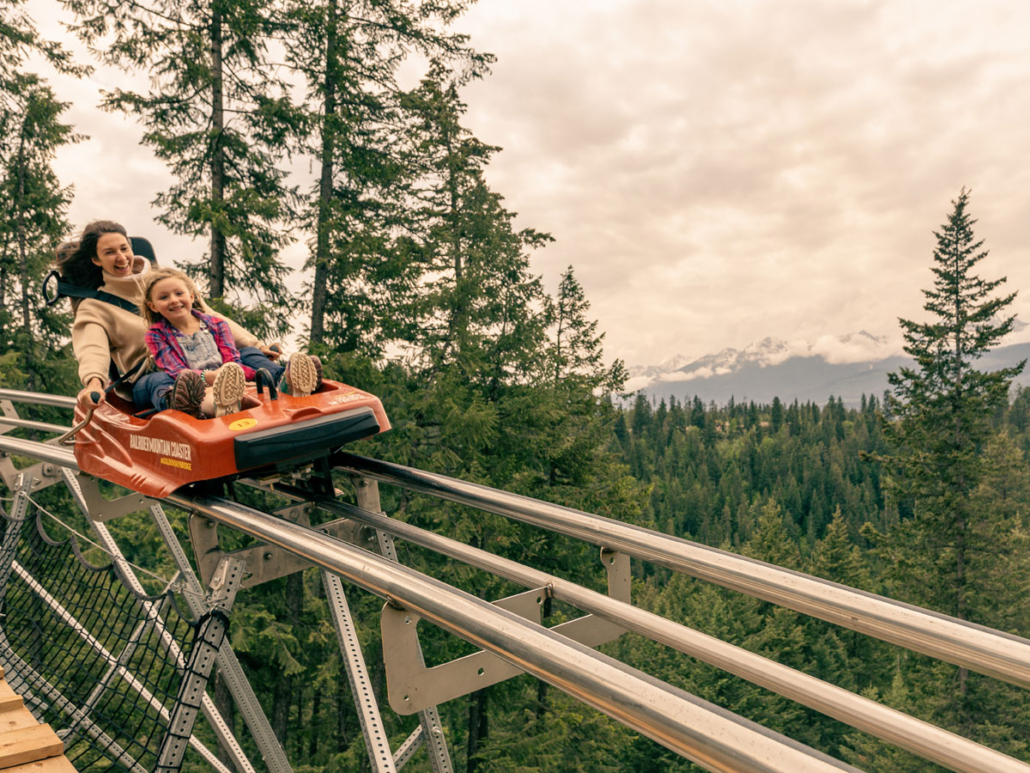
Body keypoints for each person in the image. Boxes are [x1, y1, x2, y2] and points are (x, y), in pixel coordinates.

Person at [56, 220, 320, 413]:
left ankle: (285, 380)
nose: (121, 257)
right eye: (110, 252)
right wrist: (93, 382)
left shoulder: (168, 283)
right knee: (162, 381)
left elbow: (211, 318)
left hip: (209, 359)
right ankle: (185, 402)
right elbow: (92, 350)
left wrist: (256, 344)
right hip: (157, 375)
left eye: (124, 248)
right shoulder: (94, 307)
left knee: (249, 357)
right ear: (96, 260)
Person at [140, 267, 252, 418]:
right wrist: (209, 377)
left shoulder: (218, 324)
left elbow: (231, 357)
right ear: (153, 306)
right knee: (204, 395)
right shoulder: (156, 335)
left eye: (179, 293)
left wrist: (229, 374)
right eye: (164, 297)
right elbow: (177, 370)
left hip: (226, 378)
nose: (173, 300)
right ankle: (219, 407)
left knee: (249, 369)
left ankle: (282, 385)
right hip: (195, 385)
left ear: (192, 297)